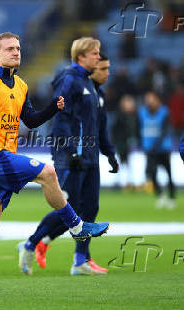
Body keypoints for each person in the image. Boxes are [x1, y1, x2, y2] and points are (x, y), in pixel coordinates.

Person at [0, 32, 109, 296]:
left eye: (18, 48)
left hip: (2, 156)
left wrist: (53, 108)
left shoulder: (20, 86)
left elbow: (30, 120)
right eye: (9, 49)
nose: (15, 52)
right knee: (47, 172)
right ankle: (77, 226)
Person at [19, 47, 119, 276]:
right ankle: (32, 243)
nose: (106, 73)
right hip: (71, 154)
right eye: (102, 67)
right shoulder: (73, 84)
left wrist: (110, 152)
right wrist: (70, 150)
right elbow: (62, 118)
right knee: (69, 206)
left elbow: (100, 128)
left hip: (90, 155)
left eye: (108, 68)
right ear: (88, 63)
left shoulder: (97, 94)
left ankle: (80, 259)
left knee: (90, 208)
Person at [138, 91, 176, 209]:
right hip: (149, 149)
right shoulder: (142, 113)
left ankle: (171, 198)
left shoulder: (164, 112)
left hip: (163, 149)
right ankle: (160, 195)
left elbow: (165, 131)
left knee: (169, 174)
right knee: (152, 174)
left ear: (157, 100)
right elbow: (139, 129)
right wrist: (142, 145)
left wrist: (156, 145)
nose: (149, 101)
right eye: (147, 99)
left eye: (151, 99)